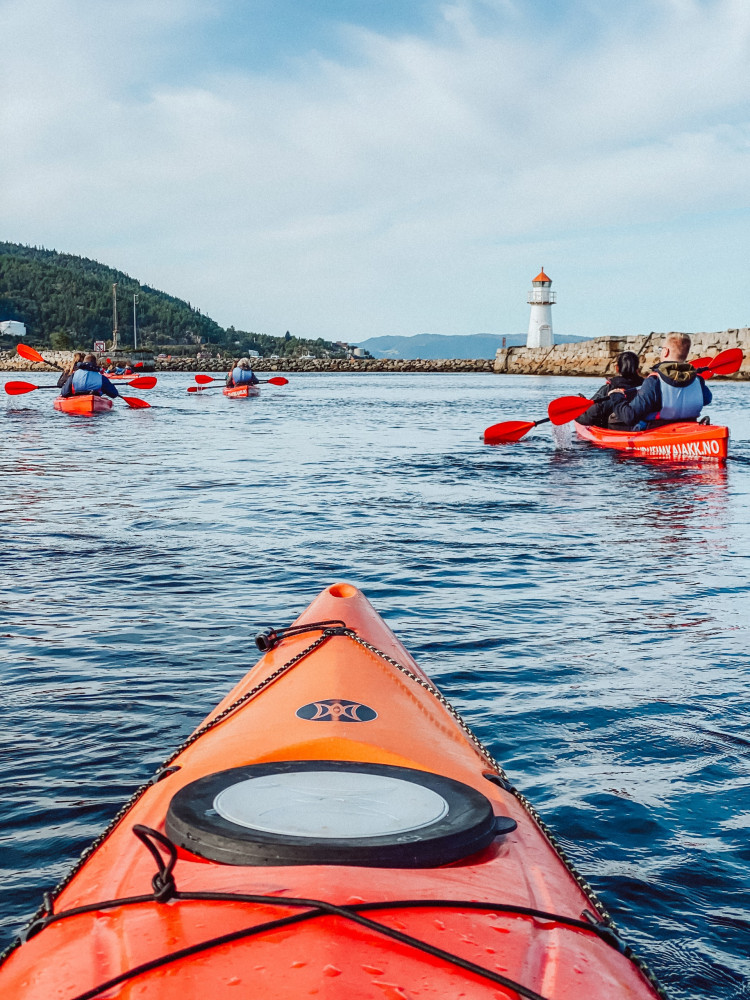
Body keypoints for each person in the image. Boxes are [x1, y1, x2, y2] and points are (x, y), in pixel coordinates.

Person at [610, 333, 712, 430]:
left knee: (614, 420)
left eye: (661, 349)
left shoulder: (654, 381)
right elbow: (707, 399)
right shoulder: (698, 380)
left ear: (666, 351)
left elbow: (630, 416)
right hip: (689, 427)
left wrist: (617, 397)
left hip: (658, 430)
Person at [576, 351, 643, 428]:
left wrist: (578, 411)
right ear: (638, 370)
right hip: (643, 428)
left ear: (617, 368)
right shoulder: (648, 388)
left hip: (615, 430)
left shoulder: (608, 390)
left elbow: (587, 418)